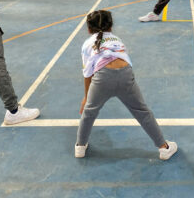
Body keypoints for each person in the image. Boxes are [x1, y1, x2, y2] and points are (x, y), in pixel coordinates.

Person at [75, 10, 177, 159]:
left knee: (89, 112)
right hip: (125, 75)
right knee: (142, 112)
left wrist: (86, 97)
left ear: (89, 29)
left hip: (102, 78)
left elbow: (87, 74)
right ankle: (164, 148)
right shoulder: (117, 39)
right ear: (111, 26)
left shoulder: (87, 44)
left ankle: (80, 147)